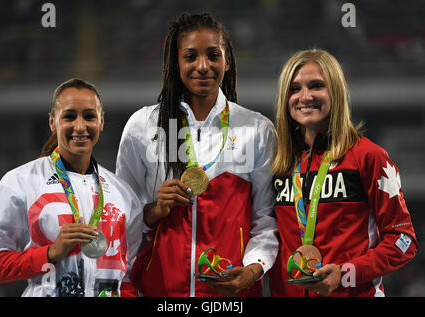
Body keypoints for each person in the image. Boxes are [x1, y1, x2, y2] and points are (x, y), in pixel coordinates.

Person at [116, 12, 278, 297]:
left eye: (213, 55)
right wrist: (155, 210)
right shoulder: (143, 126)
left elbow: (266, 220)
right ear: (175, 63)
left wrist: (253, 270)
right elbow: (120, 221)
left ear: (227, 61)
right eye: (190, 56)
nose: (202, 66)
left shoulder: (257, 129)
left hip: (231, 296)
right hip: (162, 294)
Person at [269, 49, 418, 297]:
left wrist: (347, 273)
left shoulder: (369, 157)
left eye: (316, 86)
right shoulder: (278, 163)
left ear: (335, 92)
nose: (304, 97)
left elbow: (404, 240)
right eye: (295, 89)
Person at [0, 78, 143, 297]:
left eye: (89, 116)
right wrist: (50, 252)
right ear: (52, 122)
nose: (80, 126)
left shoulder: (122, 193)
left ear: (101, 121)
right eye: (69, 116)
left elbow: (126, 277)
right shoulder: (20, 182)